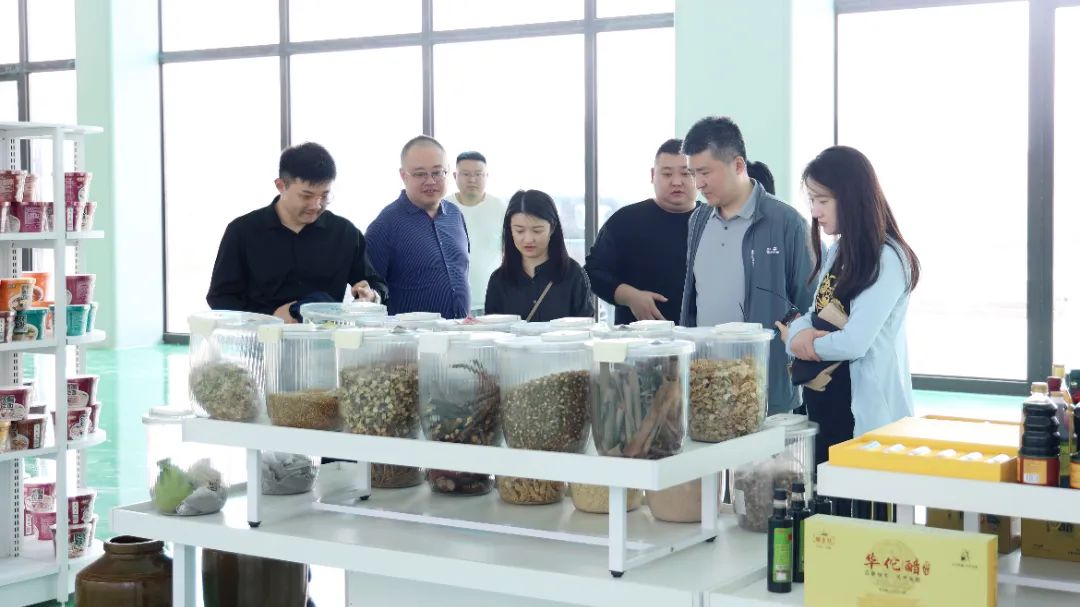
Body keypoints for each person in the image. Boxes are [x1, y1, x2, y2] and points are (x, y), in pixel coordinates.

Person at [779, 145, 920, 516]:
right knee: (829, 519)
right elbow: (812, 314)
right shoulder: (838, 251)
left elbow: (856, 341)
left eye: (822, 200)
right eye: (812, 200)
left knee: (865, 522)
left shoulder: (887, 258)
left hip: (865, 417)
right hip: (826, 405)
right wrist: (801, 337)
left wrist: (804, 343)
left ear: (852, 197)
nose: (815, 211)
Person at [680, 116, 814, 414]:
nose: (698, 184)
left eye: (705, 172)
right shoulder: (698, 220)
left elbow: (809, 305)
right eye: (693, 173)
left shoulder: (787, 223)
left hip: (764, 387)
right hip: (705, 385)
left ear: (738, 165)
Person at [206, 142, 387, 323]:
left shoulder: (345, 233)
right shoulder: (243, 231)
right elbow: (220, 297)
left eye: (324, 196)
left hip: (326, 337)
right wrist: (270, 317)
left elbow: (376, 284)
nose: (316, 205)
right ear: (281, 186)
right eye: (306, 196)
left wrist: (371, 296)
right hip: (262, 337)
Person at [585, 139, 699, 325]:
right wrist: (630, 296)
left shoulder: (714, 221)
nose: (676, 182)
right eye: (667, 174)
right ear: (653, 175)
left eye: (686, 173)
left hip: (702, 336)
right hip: (637, 335)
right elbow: (593, 272)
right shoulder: (625, 220)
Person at [366, 135, 471, 319]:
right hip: (409, 335)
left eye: (437, 172)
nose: (430, 181)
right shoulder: (384, 225)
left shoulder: (455, 215)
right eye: (420, 174)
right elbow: (371, 293)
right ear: (403, 175)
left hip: (461, 331)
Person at [484, 189, 594, 322]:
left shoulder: (573, 275)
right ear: (510, 230)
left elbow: (586, 326)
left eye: (537, 231)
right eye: (519, 231)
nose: (528, 239)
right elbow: (492, 329)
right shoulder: (499, 280)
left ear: (552, 228)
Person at [450, 151, 506, 317]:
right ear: (455, 176)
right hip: (452, 301)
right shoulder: (444, 208)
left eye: (478, 174)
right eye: (466, 174)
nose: (472, 179)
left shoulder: (500, 208)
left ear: (487, 176)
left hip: (492, 299)